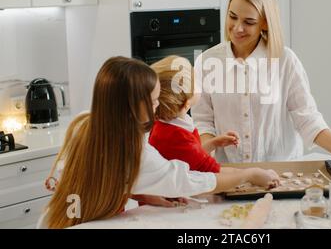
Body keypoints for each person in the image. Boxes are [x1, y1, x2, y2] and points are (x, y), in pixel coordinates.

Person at [39, 56, 279, 229]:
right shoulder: (135, 152)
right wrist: (250, 174)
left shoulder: (86, 124)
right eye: (153, 101)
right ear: (134, 106)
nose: (157, 107)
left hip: (57, 219)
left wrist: (144, 195)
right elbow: (194, 180)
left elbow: (102, 180)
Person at [191, 0, 331, 174]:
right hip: (230, 175)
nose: (238, 28)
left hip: (282, 176)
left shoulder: (285, 60)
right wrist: (210, 144)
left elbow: (307, 118)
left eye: (249, 22)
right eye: (233, 17)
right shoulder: (207, 61)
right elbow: (202, 121)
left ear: (264, 22)